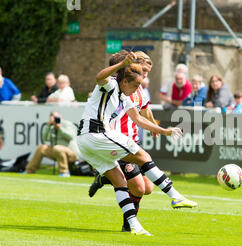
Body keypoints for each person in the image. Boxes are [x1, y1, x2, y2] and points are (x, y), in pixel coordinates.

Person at [76, 51, 192, 236]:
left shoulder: (124, 95)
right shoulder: (110, 84)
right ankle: (174, 196)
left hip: (86, 142)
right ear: (124, 77)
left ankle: (133, 226)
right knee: (143, 157)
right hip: (96, 134)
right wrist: (120, 64)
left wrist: (164, 130)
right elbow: (99, 76)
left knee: (121, 182)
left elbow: (138, 118)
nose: (139, 87)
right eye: (137, 83)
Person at [24, 112, 80, 177]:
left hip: (72, 153)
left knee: (57, 148)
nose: (55, 119)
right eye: (53, 117)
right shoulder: (52, 127)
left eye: (56, 117)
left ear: (60, 116)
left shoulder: (67, 124)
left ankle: (64, 172)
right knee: (41, 148)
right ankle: (29, 171)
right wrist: (48, 125)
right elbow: (45, 138)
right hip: (57, 152)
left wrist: (60, 128)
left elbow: (71, 137)